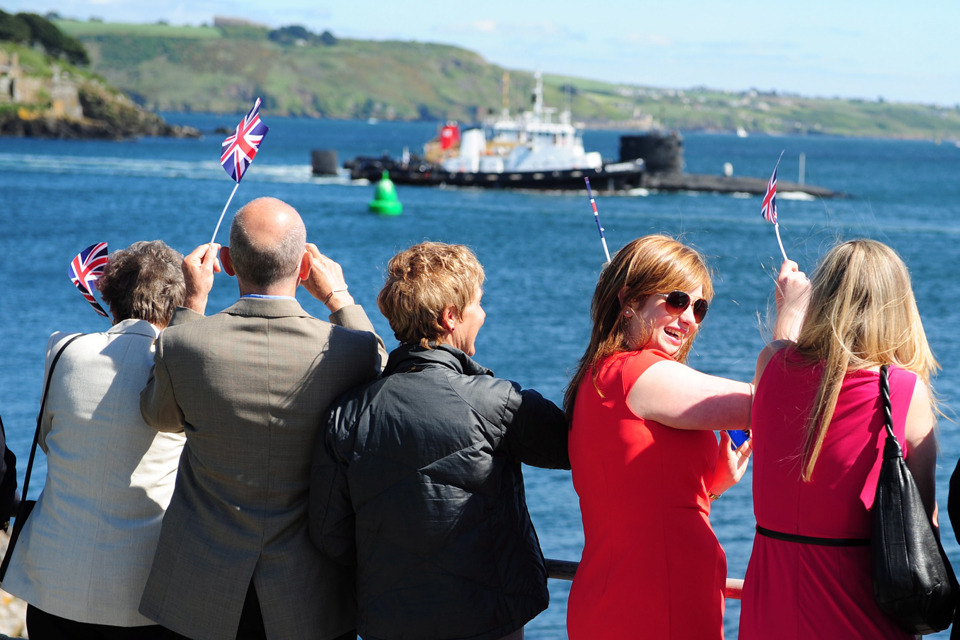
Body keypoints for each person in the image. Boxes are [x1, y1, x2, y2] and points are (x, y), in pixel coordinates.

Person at [138, 197, 386, 640]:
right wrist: (339, 298)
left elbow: (159, 416)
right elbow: (382, 373)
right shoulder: (352, 351)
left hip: (202, 589)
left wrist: (191, 307)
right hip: (312, 594)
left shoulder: (184, 344)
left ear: (227, 264)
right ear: (305, 267)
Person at [310, 241, 570, 640]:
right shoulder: (497, 403)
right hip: (488, 622)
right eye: (478, 304)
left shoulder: (348, 413)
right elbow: (580, 447)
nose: (483, 314)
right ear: (451, 317)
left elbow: (330, 534)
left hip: (390, 621)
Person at [564, 234, 807, 640]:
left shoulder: (602, 376)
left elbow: (634, 498)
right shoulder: (635, 373)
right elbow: (775, 401)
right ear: (627, 300)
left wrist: (711, 487)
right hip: (653, 608)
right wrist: (791, 318)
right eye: (676, 300)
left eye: (699, 307)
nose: (690, 318)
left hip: (633, 600)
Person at [739, 239, 939, 640]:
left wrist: (790, 310)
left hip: (769, 611)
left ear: (823, 299)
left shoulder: (771, 365)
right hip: (858, 617)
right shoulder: (901, 391)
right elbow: (923, 528)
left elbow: (781, 374)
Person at [1, 240, 187, 639]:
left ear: (108, 295)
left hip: (55, 582)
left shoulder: (65, 349)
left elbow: (50, 440)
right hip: (145, 592)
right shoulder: (182, 368)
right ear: (176, 303)